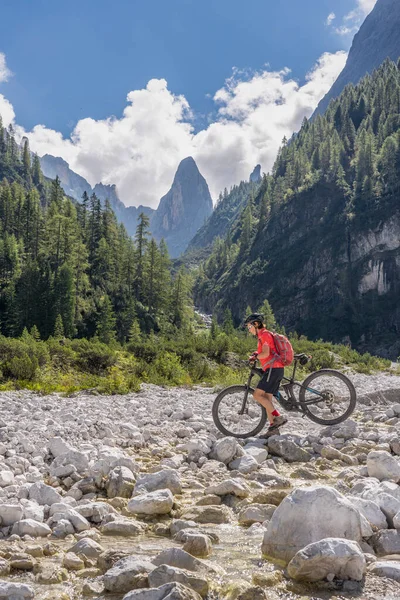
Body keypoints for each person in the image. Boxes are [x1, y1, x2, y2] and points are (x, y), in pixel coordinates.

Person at [244, 313, 288, 437]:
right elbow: (264, 352)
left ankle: (278, 417)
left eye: (249, 326)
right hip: (275, 369)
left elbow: (266, 353)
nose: (249, 329)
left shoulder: (264, 335)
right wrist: (256, 354)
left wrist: (256, 356)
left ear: (256, 324)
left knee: (257, 395)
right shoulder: (263, 336)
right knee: (267, 399)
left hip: (273, 369)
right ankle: (273, 429)